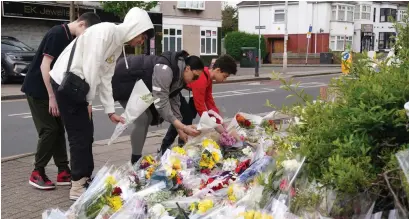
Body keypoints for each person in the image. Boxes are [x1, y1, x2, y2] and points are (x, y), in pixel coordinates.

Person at [49, 7, 154, 200]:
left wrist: (109, 110)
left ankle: (85, 177)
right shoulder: (106, 31)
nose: (141, 41)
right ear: (136, 28)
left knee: (87, 134)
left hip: (78, 86)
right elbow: (91, 65)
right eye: (143, 36)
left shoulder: (117, 42)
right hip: (67, 84)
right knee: (79, 135)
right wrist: (88, 101)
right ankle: (77, 185)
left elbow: (106, 77)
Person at [21, 12, 101, 190]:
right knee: (49, 130)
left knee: (59, 130)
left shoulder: (71, 38)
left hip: (55, 92)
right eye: (87, 33)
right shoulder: (57, 33)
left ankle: (63, 171)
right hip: (38, 91)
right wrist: (51, 97)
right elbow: (45, 66)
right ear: (81, 24)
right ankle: (37, 172)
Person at [112, 51, 204, 164]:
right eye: (195, 77)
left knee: (148, 117)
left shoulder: (179, 75)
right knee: (142, 119)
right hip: (125, 80)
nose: (194, 81)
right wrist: (183, 127)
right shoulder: (166, 71)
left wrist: (180, 129)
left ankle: (137, 158)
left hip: (142, 86)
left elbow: (174, 101)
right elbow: (161, 103)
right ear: (188, 69)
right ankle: (135, 161)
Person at [160, 55, 238, 153]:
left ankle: (181, 145)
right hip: (174, 91)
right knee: (184, 116)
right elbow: (200, 105)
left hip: (183, 92)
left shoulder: (208, 78)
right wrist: (215, 124)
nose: (224, 79)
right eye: (225, 76)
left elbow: (209, 100)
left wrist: (220, 120)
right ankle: (166, 148)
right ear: (217, 70)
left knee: (188, 116)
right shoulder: (201, 78)